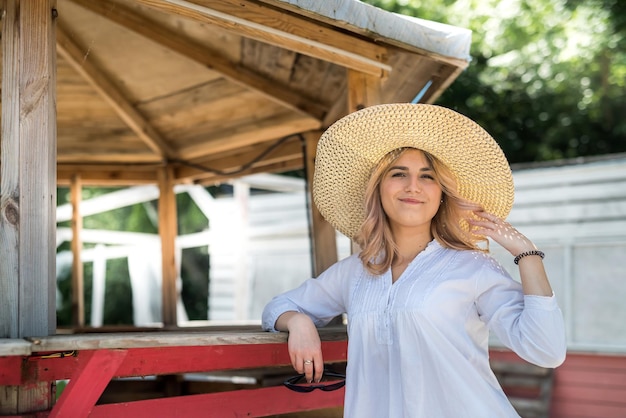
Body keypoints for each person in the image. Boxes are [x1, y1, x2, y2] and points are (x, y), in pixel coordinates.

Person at [262, 103, 566, 417]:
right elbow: (278, 307)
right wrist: (298, 323)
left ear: (441, 193)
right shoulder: (354, 272)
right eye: (398, 174)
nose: (413, 186)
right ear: (378, 189)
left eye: (427, 176)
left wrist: (528, 256)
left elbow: (546, 350)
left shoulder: (473, 267)